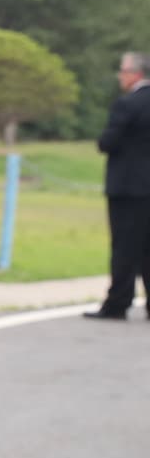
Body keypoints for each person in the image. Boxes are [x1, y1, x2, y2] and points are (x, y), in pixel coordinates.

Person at [87, 50, 150, 321]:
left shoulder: (127, 105)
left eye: (123, 72)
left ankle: (118, 302)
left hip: (128, 186)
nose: (120, 77)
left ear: (135, 74)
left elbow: (107, 142)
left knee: (124, 246)